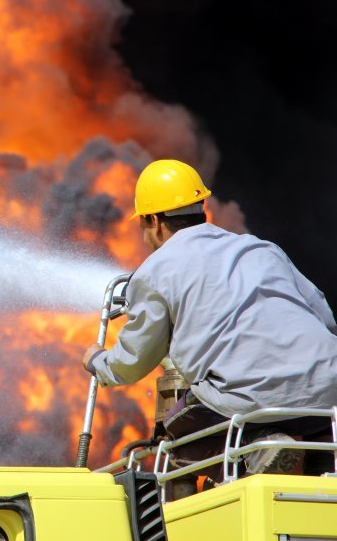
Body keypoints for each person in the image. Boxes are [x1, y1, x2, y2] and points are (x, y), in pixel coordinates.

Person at [82, 158, 337, 480]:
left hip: (250, 398)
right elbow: (324, 317)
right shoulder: (260, 249)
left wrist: (98, 362)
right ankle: (323, 485)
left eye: (143, 225)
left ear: (154, 221)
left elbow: (134, 360)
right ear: (200, 207)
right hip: (329, 384)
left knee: (177, 442)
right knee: (322, 438)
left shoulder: (154, 272)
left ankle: (260, 447)